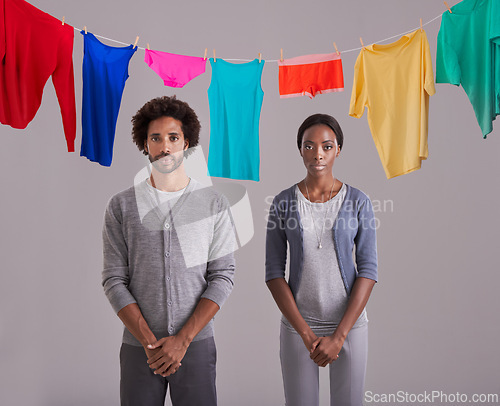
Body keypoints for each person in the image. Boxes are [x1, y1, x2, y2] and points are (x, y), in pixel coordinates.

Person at [102, 95, 236, 406]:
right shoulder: (121, 206)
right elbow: (113, 279)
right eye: (156, 138)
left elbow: (223, 275)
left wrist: (182, 340)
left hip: (196, 345)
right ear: (144, 144)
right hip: (139, 349)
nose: (165, 146)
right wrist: (150, 342)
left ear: (186, 142)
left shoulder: (213, 204)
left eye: (173, 137)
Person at [265, 114, 378, 406]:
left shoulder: (359, 201)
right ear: (300, 149)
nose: (318, 154)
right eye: (309, 146)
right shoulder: (282, 202)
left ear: (338, 149)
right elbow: (274, 272)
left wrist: (339, 336)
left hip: (349, 327)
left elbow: (368, 270)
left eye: (326, 146)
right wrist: (304, 332)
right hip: (298, 326)